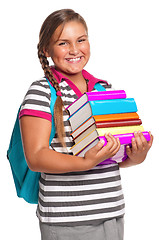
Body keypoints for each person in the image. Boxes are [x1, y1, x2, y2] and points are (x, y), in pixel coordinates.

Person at [19, 9, 153, 240]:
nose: (74, 50)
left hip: (112, 212)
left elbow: (111, 156)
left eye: (81, 40)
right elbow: (36, 156)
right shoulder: (41, 92)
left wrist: (137, 155)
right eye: (63, 43)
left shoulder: (104, 89)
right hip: (68, 219)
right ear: (46, 50)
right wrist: (85, 162)